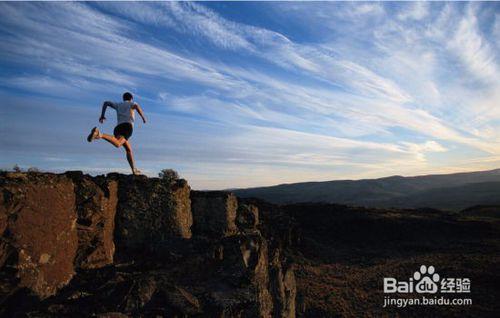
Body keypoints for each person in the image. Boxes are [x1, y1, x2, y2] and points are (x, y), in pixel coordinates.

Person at [87, 92, 146, 175]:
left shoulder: (118, 104)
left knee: (128, 149)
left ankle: (134, 170)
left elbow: (106, 103)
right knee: (118, 144)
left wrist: (102, 115)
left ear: (123, 98)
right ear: (131, 98)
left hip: (118, 128)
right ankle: (99, 134)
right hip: (127, 127)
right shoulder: (132, 103)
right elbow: (136, 106)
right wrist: (143, 117)